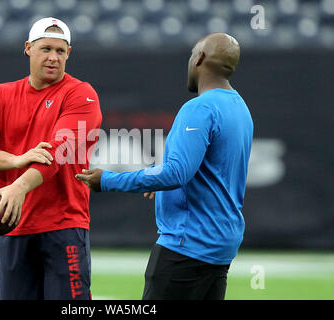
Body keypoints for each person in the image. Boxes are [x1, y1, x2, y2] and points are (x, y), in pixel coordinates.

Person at [76, 33, 253, 300]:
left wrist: (107, 180)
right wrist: (164, 184)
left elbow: (176, 173)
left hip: (187, 246)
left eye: (193, 53)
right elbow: (210, 171)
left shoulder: (199, 108)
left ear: (200, 59)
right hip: (221, 245)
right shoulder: (240, 108)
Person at [0, 17, 102, 300]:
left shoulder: (81, 94)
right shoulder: (1, 95)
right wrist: (15, 160)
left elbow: (61, 151)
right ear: (28, 48)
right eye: (46, 49)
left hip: (64, 224)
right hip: (14, 224)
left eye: (60, 51)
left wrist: (18, 187)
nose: (53, 58)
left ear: (69, 54)